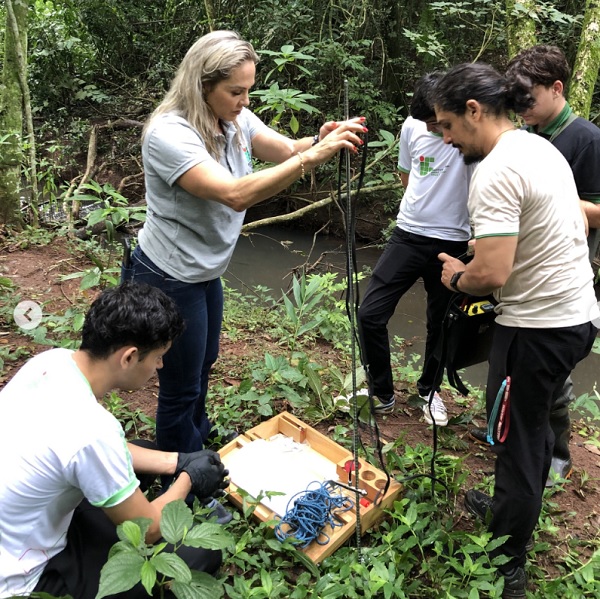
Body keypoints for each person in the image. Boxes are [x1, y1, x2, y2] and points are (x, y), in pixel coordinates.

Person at [125, 30, 365, 457]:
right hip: (168, 274)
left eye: (248, 90)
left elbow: (287, 148)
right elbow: (235, 193)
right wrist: (310, 157)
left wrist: (318, 139)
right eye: (236, 91)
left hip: (205, 271)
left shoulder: (234, 118)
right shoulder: (169, 134)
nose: (245, 101)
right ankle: (184, 471)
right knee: (180, 382)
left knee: (205, 360)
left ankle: (196, 432)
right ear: (202, 87)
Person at [433, 62, 598, 598]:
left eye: (448, 125)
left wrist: (459, 276)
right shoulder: (536, 145)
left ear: (474, 112)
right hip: (576, 316)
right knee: (528, 423)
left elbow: (492, 273)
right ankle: (508, 512)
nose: (446, 138)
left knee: (518, 440)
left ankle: (509, 562)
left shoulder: (496, 170)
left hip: (538, 327)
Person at [0, 282, 230, 599]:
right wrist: (190, 478)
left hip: (20, 523)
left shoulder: (50, 362)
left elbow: (95, 451)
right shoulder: (91, 429)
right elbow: (148, 529)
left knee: (148, 453)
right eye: (159, 357)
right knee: (201, 556)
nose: (160, 366)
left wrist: (177, 462)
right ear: (130, 357)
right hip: (25, 574)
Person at [468, 45, 600, 487]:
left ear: (556, 89)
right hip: (524, 264)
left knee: (548, 379)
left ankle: (554, 455)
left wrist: (550, 201)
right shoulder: (531, 135)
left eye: (527, 97)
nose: (519, 107)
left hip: (561, 270)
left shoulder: (586, 139)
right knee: (517, 376)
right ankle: (514, 435)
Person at [357, 72, 471, 425]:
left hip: (454, 239)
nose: (437, 131)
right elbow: (407, 174)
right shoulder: (412, 126)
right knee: (370, 313)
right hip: (408, 234)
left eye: (439, 123)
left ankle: (429, 390)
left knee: (443, 322)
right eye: (429, 123)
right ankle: (383, 393)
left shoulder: (474, 133)